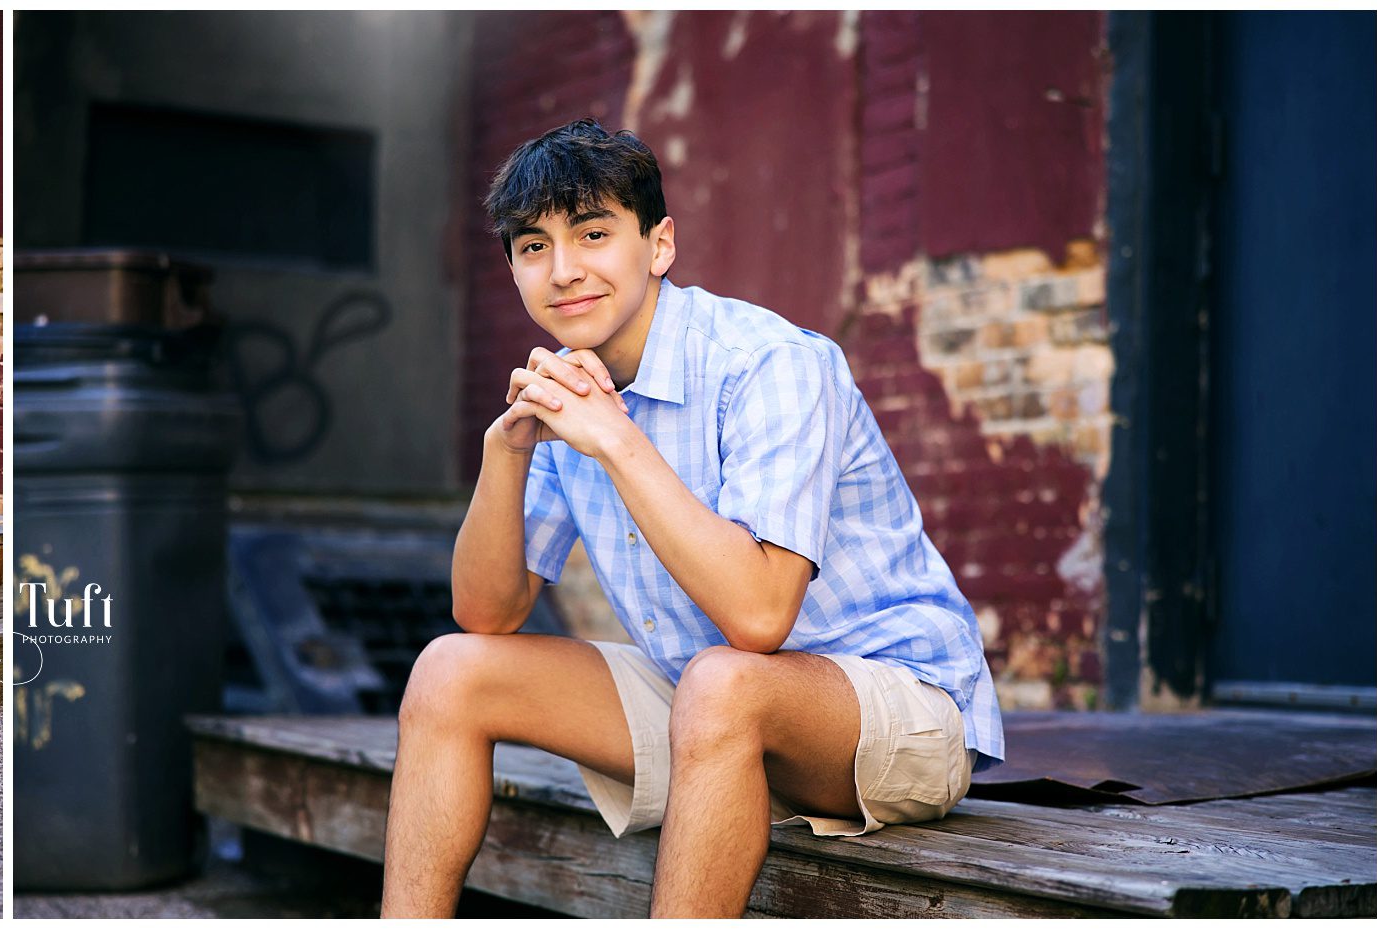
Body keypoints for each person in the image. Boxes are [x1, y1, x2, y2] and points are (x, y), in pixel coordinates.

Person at [381, 119, 1005, 917]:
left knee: (723, 681)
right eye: (533, 247)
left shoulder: (770, 363)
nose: (563, 271)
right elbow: (486, 612)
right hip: (710, 706)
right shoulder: (570, 391)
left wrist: (617, 439)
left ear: (659, 244)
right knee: (448, 670)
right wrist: (505, 454)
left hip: (896, 712)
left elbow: (757, 615)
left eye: (594, 233)